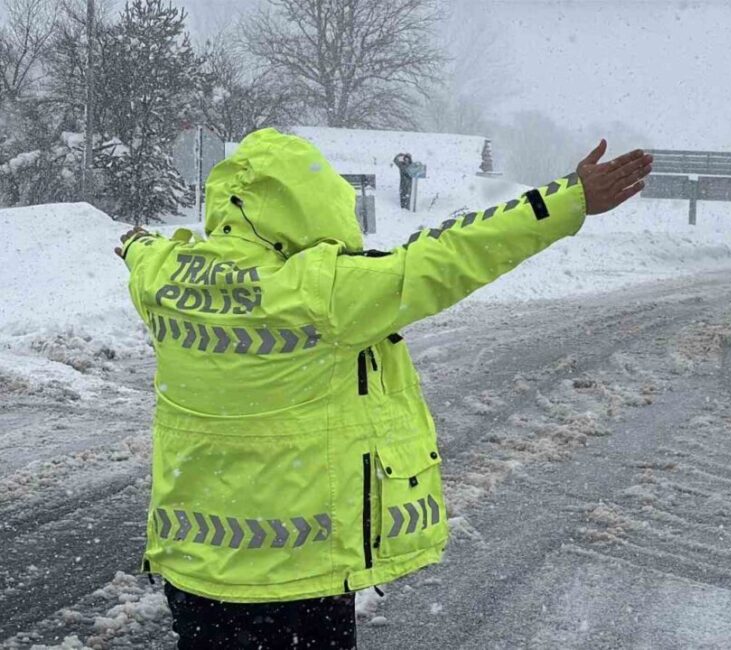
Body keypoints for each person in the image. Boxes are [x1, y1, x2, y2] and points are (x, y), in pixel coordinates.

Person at [115, 128, 652, 649]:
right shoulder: (323, 292)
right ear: (311, 203)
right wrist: (568, 201)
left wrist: (136, 244)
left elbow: (142, 254)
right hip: (298, 579)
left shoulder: (164, 279)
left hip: (194, 574)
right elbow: (451, 255)